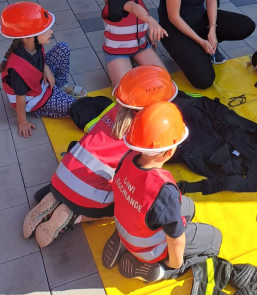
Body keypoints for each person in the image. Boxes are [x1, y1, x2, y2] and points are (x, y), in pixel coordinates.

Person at [22, 66, 177, 248]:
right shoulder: (145, 132)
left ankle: (54, 199)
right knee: (126, 203)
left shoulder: (114, 110)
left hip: (61, 175)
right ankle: (73, 216)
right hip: (86, 195)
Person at [108, 100, 222, 283]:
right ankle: (160, 270)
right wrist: (174, 263)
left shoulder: (128, 157)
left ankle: (124, 242)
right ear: (168, 152)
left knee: (189, 207)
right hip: (146, 247)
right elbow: (176, 239)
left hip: (127, 225)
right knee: (215, 239)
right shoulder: (163, 190)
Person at [0, 1, 87, 138]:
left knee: (63, 47)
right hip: (35, 100)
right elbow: (20, 97)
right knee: (75, 107)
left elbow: (40, 60)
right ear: (28, 36)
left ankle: (60, 85)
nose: (51, 31)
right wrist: (22, 121)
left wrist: (46, 69)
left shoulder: (33, 43)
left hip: (40, 82)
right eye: (45, 30)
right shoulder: (17, 68)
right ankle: (54, 94)